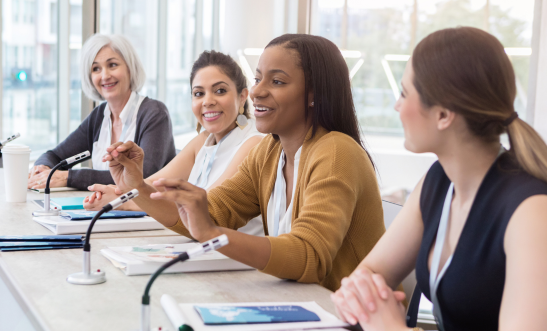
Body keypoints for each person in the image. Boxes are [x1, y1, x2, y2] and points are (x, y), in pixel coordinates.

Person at [331, 27, 547, 331]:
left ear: (442, 114)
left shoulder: (531, 207)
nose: (396, 106)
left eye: (405, 93)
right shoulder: (436, 183)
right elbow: (367, 277)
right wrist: (361, 298)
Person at [102, 34, 385, 291]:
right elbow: (210, 213)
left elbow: (309, 257)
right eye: (258, 78)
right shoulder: (269, 153)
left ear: (313, 94)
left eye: (277, 81)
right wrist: (137, 185)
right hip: (300, 306)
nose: (258, 91)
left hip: (347, 325)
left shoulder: (336, 153)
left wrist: (214, 234)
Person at [84, 51, 264, 235]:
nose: (208, 101)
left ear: (243, 96)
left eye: (220, 91)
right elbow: (154, 185)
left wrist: (123, 202)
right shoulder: (203, 140)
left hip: (235, 258)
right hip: (205, 251)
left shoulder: (253, 144)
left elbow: (206, 210)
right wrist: (116, 192)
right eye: (199, 93)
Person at [28, 34, 175, 191]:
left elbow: (142, 176)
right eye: (96, 69)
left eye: (112, 65)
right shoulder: (99, 117)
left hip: (149, 213)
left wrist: (68, 177)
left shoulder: (155, 114)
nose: (105, 76)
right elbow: (54, 156)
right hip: (110, 210)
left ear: (130, 68)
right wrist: (41, 169)